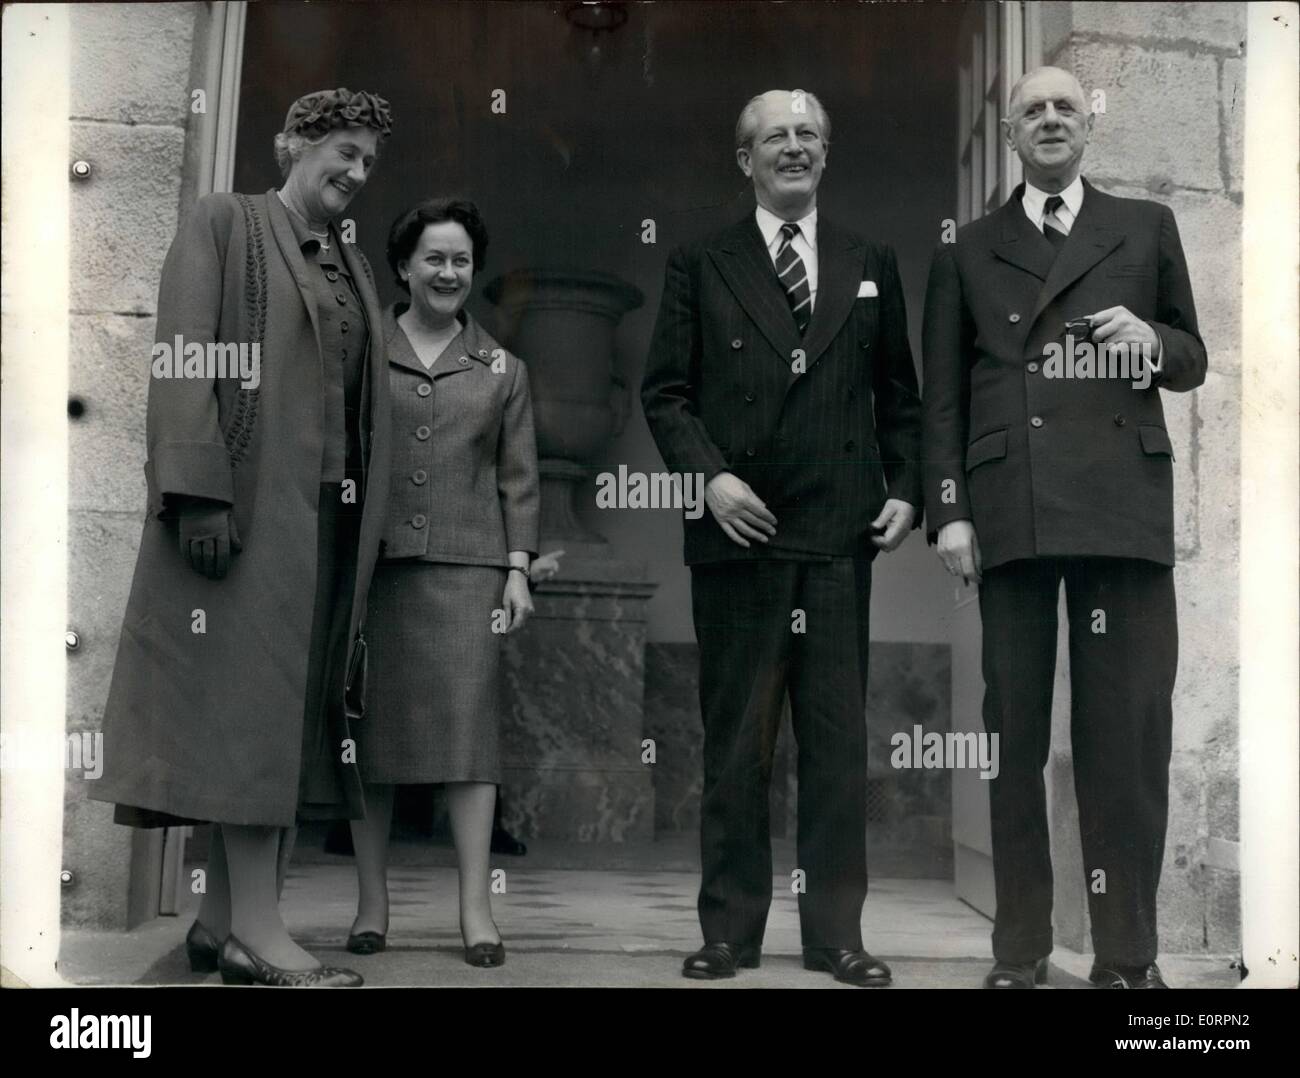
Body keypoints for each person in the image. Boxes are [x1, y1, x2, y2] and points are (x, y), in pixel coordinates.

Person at [90, 88, 394, 987]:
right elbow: (187, 354)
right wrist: (197, 495)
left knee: (271, 723)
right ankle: (262, 932)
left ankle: (221, 922)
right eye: (343, 149)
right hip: (244, 516)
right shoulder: (226, 224)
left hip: (325, 525)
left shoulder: (352, 265)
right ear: (291, 142)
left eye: (369, 160)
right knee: (245, 720)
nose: (356, 171)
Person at [921, 66, 1207, 990]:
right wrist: (950, 512)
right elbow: (942, 402)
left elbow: (1193, 357)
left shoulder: (1144, 226)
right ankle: (1020, 950)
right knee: (1012, 737)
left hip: (1120, 505)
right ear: (1010, 133)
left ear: (1090, 128)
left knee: (1127, 736)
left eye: (1065, 110)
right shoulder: (967, 248)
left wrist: (1154, 343)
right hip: (1013, 505)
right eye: (1033, 111)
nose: (1050, 122)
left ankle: (1127, 958)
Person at [641, 89, 922, 985]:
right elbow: (667, 395)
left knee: (837, 748)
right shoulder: (698, 263)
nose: (792, 148)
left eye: (808, 136)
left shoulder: (870, 260)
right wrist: (710, 477)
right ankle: (729, 932)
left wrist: (909, 492)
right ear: (745, 161)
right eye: (774, 138)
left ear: (826, 154)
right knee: (736, 748)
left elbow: (900, 402)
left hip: (839, 539)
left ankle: (837, 937)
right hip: (739, 534)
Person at [345, 198, 540, 969]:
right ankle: (371, 905)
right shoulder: (363, 353)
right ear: (403, 267)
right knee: (370, 742)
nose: (449, 273)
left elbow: (519, 482)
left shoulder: (503, 370)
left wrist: (517, 572)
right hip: (377, 572)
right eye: (434, 258)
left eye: (461, 260)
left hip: (469, 575)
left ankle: (475, 913)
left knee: (468, 745)